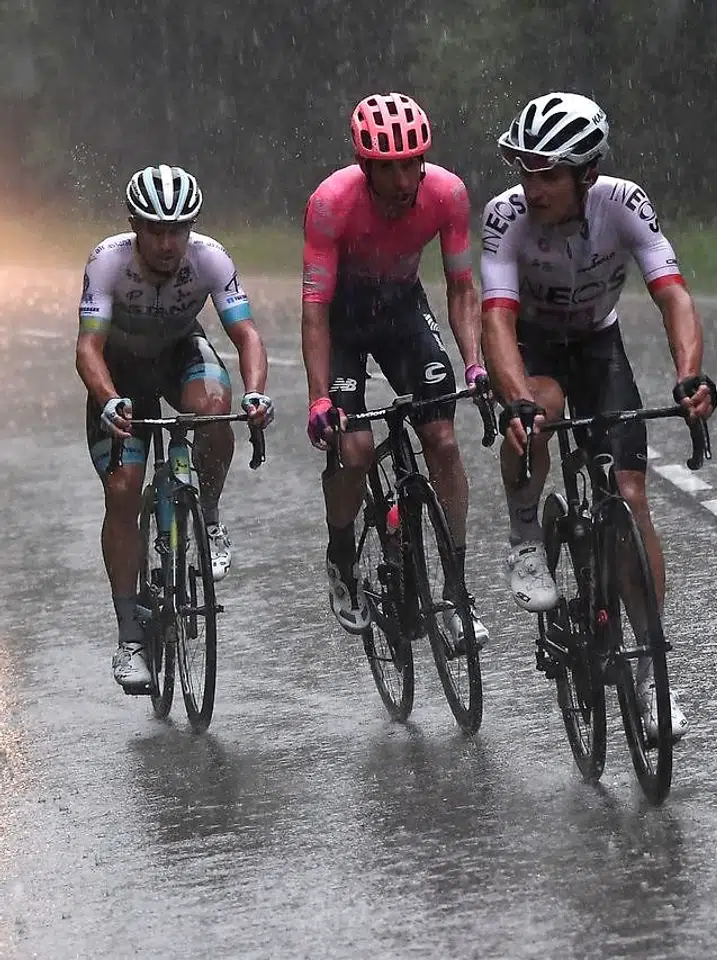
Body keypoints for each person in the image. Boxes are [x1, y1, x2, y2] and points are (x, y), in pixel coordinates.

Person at [479, 92, 717, 740]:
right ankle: (526, 537)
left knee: (631, 497)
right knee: (543, 409)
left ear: (586, 173)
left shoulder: (624, 204)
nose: (532, 187)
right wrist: (515, 399)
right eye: (525, 170)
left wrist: (689, 376)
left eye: (548, 173)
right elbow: (495, 318)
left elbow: (674, 296)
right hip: (531, 346)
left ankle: (651, 673)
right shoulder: (506, 215)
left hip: (596, 344)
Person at [77, 164, 274, 689]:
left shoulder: (210, 258)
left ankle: (208, 517)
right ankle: (130, 638)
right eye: (156, 230)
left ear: (192, 228)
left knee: (214, 407)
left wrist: (255, 391)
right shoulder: (108, 261)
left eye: (178, 230)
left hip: (179, 354)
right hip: (120, 372)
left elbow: (246, 334)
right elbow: (88, 346)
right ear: (135, 226)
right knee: (123, 491)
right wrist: (108, 400)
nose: (167, 244)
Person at [301, 91, 488, 646]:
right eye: (390, 168)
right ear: (365, 165)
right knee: (355, 450)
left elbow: (461, 288)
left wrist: (473, 364)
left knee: (443, 440)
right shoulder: (331, 203)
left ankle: (455, 589)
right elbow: (315, 311)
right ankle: (342, 556)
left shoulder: (447, 193)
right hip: (344, 319)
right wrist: (319, 398)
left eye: (413, 163)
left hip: (403, 310)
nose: (405, 179)